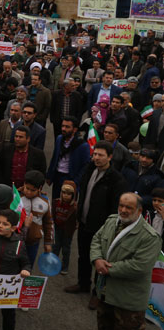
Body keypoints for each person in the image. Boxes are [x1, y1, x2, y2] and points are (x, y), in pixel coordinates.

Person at [65, 141, 128, 310]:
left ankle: (97, 293)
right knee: (83, 256)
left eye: (101, 155)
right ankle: (83, 283)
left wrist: (109, 229)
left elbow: (116, 207)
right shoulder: (89, 169)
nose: (96, 158)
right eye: (95, 154)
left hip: (101, 228)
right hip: (85, 222)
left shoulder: (116, 179)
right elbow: (83, 192)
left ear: (110, 157)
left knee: (99, 262)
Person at [90, 193, 161, 329]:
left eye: (129, 207)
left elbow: (139, 266)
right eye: (121, 206)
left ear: (139, 210)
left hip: (128, 305)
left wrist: (106, 269)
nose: (123, 210)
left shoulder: (150, 237)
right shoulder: (111, 221)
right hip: (105, 296)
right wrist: (97, 259)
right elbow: (96, 240)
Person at [0, 209, 31, 330]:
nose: (0, 226)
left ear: (13, 228)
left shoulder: (19, 244)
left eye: (5, 224)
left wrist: (26, 270)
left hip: (9, 287)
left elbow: (26, 263)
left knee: (9, 315)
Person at [46, 116, 91, 199]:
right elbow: (55, 157)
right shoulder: (59, 139)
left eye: (67, 127)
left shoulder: (82, 145)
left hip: (70, 178)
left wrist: (76, 181)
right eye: (62, 126)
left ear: (74, 129)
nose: (63, 129)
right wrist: (49, 175)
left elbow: (86, 166)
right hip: (57, 177)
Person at [18, 170, 54, 267]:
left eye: (32, 190)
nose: (28, 192)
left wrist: (48, 242)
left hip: (33, 243)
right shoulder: (16, 197)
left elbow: (48, 223)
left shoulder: (45, 201)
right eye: (27, 188)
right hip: (16, 241)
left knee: (28, 267)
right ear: (24, 184)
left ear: (40, 188)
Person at [52, 180, 78, 275]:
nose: (66, 195)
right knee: (55, 247)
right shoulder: (56, 203)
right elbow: (52, 214)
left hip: (68, 231)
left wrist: (76, 225)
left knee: (66, 249)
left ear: (73, 195)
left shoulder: (74, 207)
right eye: (64, 193)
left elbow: (77, 218)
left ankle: (65, 266)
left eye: (69, 194)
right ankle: (53, 264)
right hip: (57, 228)